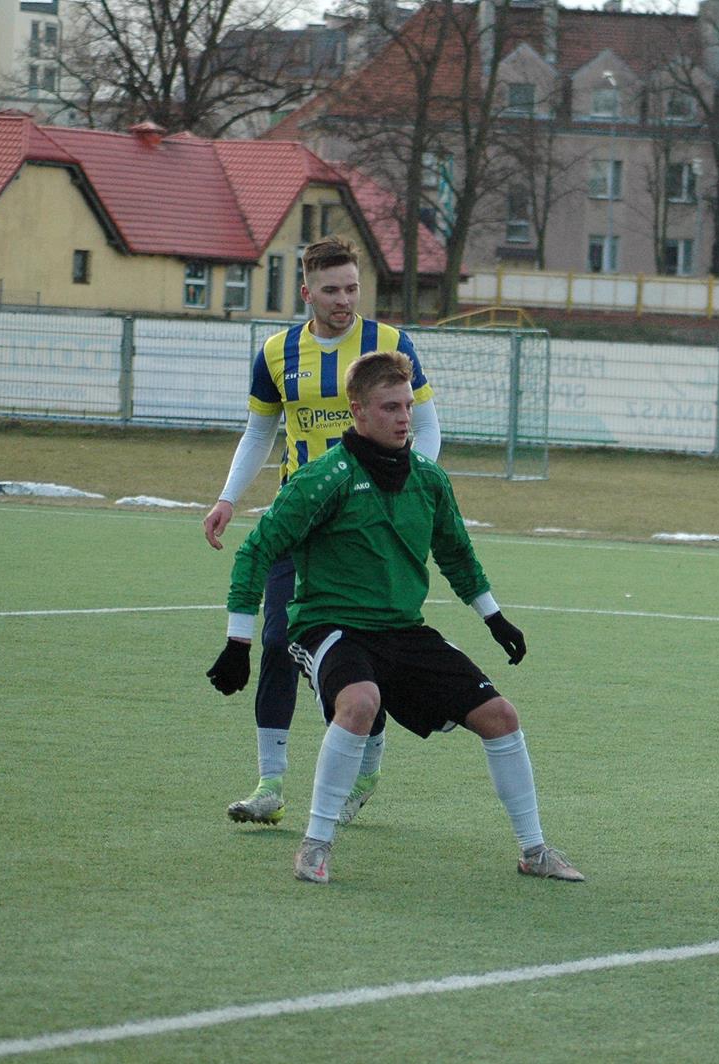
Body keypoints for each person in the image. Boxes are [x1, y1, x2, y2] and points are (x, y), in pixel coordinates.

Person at [206, 351, 583, 885]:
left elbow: (456, 553)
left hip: (402, 629)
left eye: (408, 405)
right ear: (357, 411)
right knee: (360, 701)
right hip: (328, 625)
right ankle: (315, 845)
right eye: (390, 407)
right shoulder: (323, 479)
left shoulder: (428, 478)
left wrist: (494, 618)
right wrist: (237, 642)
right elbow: (255, 552)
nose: (405, 417)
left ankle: (535, 851)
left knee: (501, 716)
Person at [202, 235, 441, 828]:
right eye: (331, 290)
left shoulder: (390, 344)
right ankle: (270, 784)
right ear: (306, 291)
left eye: (353, 288)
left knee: (370, 651)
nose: (344, 300)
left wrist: (412, 491)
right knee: (279, 640)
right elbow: (259, 432)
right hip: (299, 518)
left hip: (367, 526)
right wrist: (230, 497)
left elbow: (428, 426)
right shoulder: (278, 352)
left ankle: (366, 770)